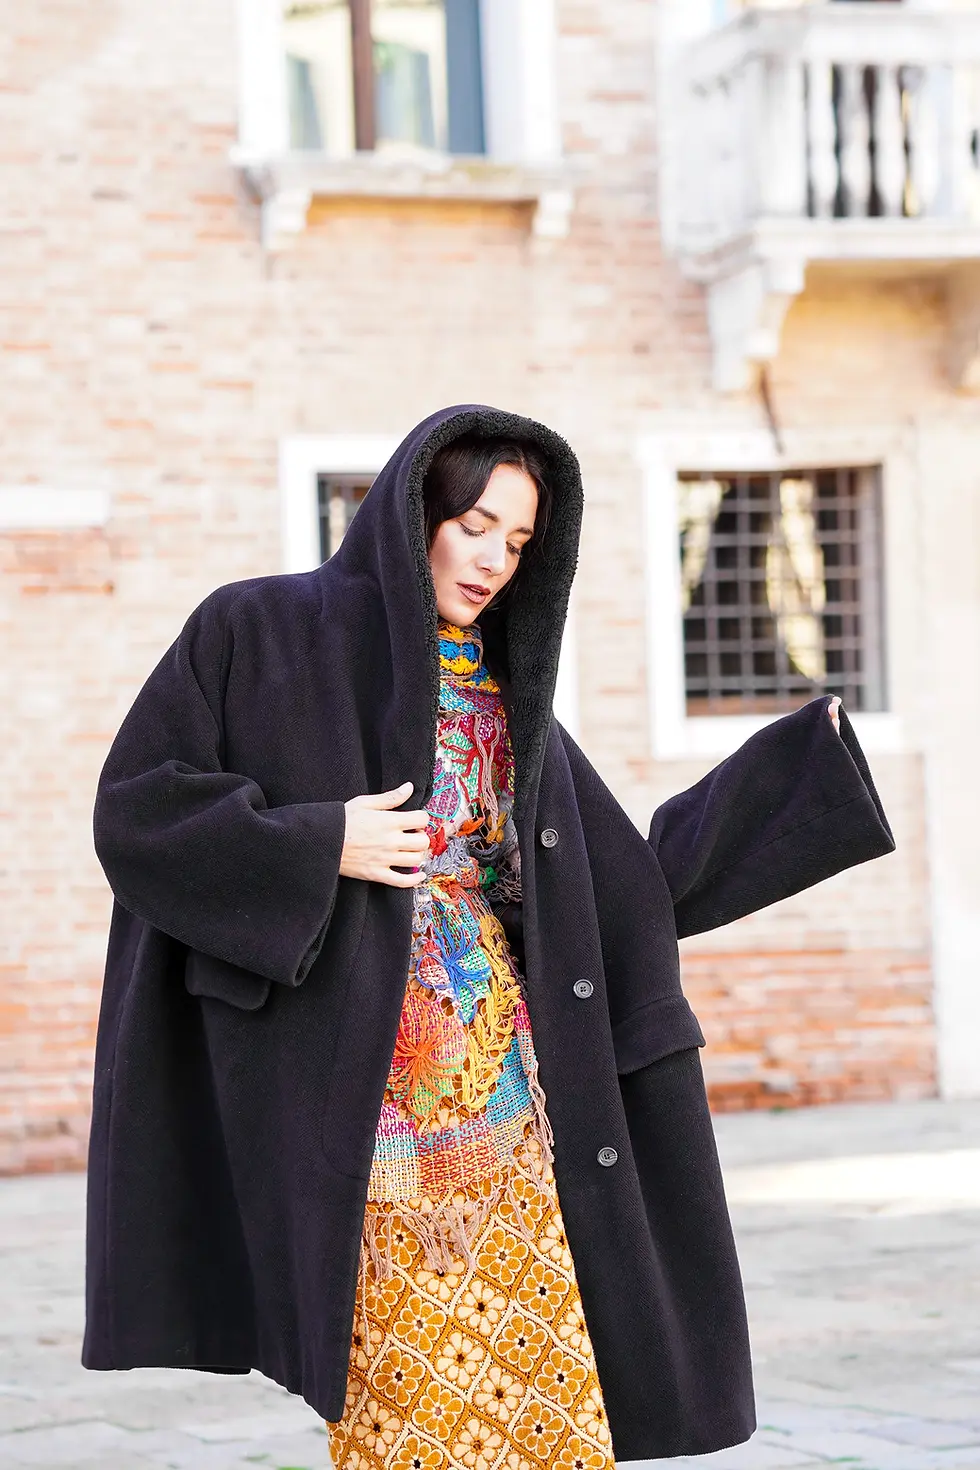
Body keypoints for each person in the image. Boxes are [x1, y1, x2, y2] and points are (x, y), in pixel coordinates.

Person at [82, 403, 894, 1467]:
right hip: (356, 1103)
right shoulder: (258, 629)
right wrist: (318, 842)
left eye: (516, 541)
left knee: (544, 1396)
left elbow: (612, 883)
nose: (493, 561)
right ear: (412, 512)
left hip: (508, 1095)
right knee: (407, 1407)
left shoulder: (506, 693)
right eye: (472, 526)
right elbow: (138, 807)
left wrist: (794, 781)